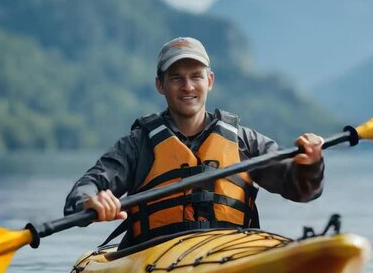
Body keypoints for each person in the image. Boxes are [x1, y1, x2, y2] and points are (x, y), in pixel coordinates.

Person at [64, 36, 324, 248]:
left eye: (196, 76)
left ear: (209, 81)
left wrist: (311, 165)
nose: (187, 86)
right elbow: (86, 187)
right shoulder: (136, 146)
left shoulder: (245, 142)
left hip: (231, 252)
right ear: (160, 85)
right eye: (176, 77)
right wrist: (90, 201)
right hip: (156, 257)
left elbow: (301, 190)